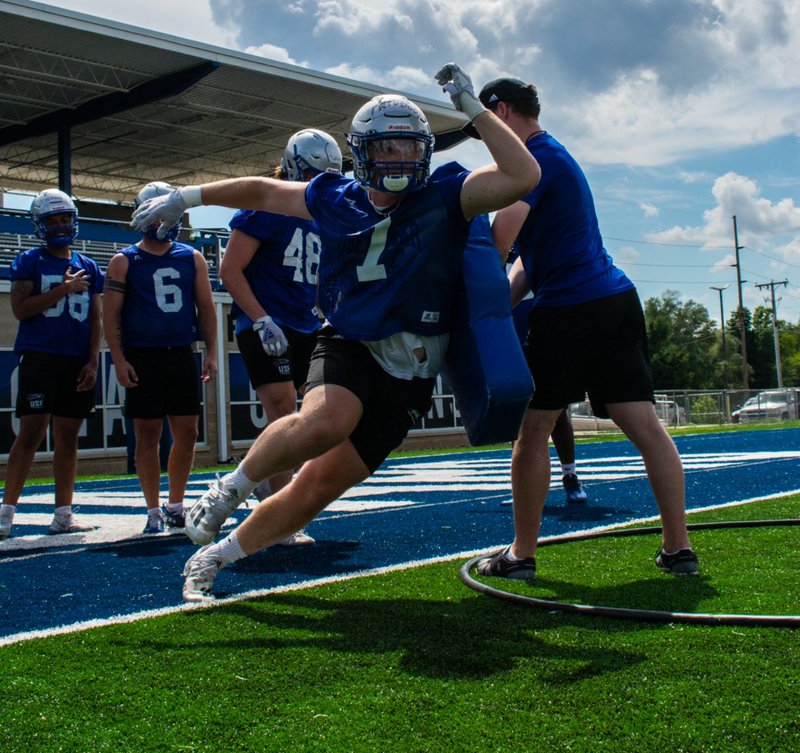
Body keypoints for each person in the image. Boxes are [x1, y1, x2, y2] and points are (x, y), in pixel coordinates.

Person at [130, 64, 541, 600]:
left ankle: (214, 556)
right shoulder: (334, 196)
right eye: (387, 148)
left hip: (413, 366)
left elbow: (522, 175)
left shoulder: (446, 196)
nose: (399, 160)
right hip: (349, 338)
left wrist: (472, 109)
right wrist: (189, 197)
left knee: (321, 485)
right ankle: (230, 488)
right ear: (362, 151)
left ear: (425, 151)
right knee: (327, 419)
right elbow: (261, 190)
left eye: (409, 147)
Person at [467, 76, 697, 579]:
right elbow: (527, 264)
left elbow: (498, 243)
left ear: (502, 112)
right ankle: (678, 550)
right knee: (644, 426)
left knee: (533, 430)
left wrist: (469, 303)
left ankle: (521, 555)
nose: (484, 139)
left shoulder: (532, 163)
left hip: (572, 308)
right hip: (615, 299)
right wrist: (495, 309)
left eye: (484, 126)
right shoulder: (554, 155)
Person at [220, 129, 344, 546]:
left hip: (305, 322)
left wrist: (328, 314)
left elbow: (318, 280)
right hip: (266, 323)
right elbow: (230, 269)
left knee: (313, 417)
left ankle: (259, 474)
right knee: (281, 409)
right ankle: (281, 514)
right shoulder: (266, 207)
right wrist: (260, 319)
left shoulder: (323, 215)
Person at [103, 182, 218, 535]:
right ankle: (153, 509)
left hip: (180, 353)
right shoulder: (124, 261)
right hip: (143, 356)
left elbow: (206, 307)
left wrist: (212, 351)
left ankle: (176, 505)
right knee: (147, 435)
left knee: (187, 432)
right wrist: (119, 360)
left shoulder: (191, 256)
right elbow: (110, 316)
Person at [0, 190, 102, 540]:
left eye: (64, 218)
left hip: (76, 361)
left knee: (68, 439)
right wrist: (62, 289)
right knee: (29, 435)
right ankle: (6, 514)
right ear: (39, 225)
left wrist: (93, 360)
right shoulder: (30, 261)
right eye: (52, 220)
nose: (60, 225)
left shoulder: (89, 266)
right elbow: (21, 310)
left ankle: (63, 514)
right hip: (41, 358)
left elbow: (96, 318)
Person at [511, 296, 587, 504]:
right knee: (516, 416)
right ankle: (522, 485)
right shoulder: (498, 264)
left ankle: (570, 475)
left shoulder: (532, 265)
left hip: (542, 334)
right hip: (511, 339)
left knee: (558, 411)